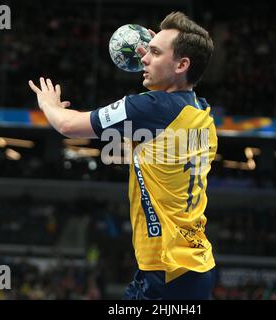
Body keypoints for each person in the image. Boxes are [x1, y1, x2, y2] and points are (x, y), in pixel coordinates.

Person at [29, 11, 217, 300]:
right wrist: (160, 50)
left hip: (168, 273)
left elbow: (67, 125)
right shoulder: (201, 112)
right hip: (191, 266)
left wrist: (49, 104)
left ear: (182, 64)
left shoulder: (151, 108)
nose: (143, 57)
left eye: (154, 52)